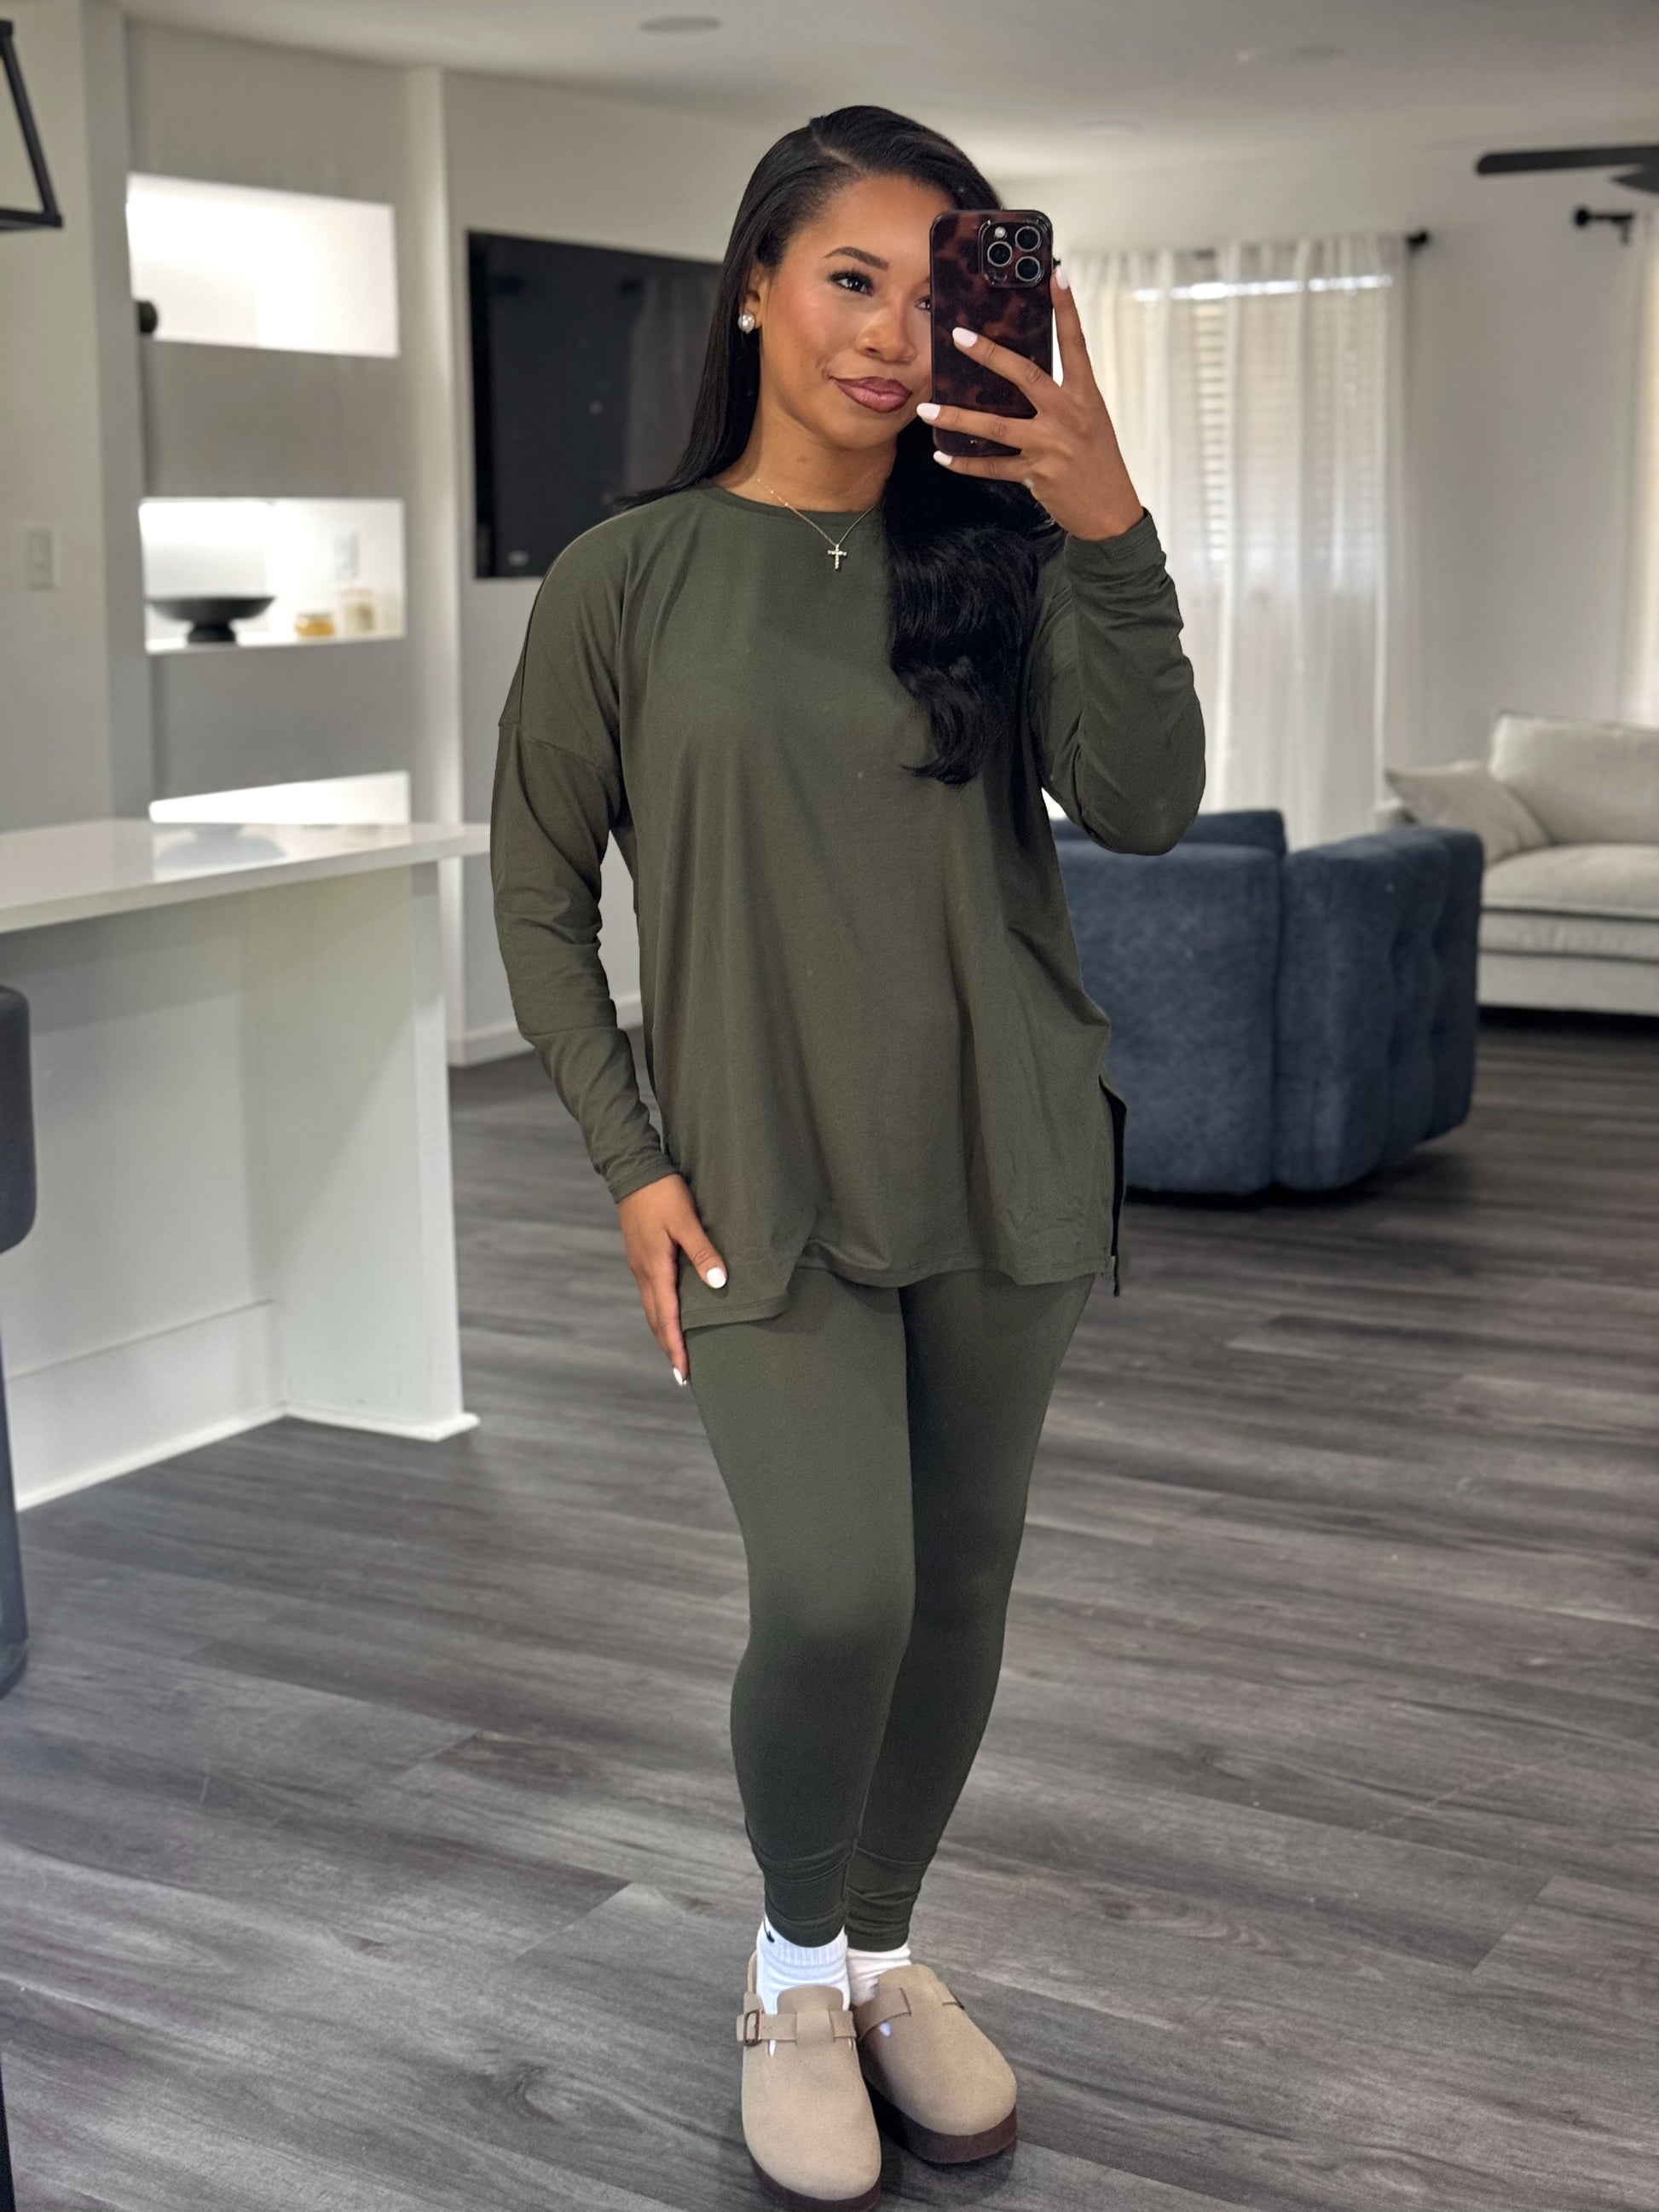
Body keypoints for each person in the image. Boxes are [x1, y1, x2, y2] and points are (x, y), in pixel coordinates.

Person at [491, 102, 1205, 2212]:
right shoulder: (625, 578)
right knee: (836, 1593)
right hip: (755, 1176)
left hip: (1003, 1150)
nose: (892, 332)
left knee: (958, 1587)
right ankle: (790, 1968)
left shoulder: (1001, 554)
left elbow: (1148, 803)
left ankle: (881, 1952)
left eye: (929, 287)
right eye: (850, 278)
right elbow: (537, 895)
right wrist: (629, 1159)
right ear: (755, 287)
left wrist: (1106, 521)